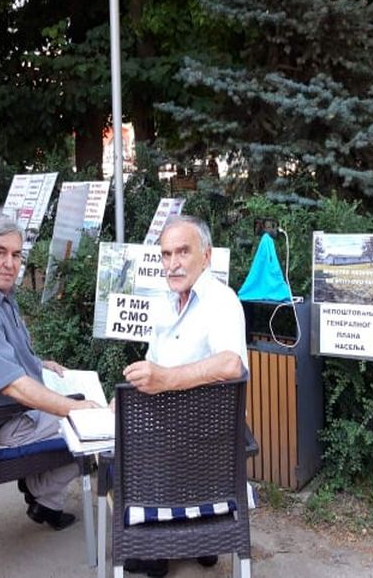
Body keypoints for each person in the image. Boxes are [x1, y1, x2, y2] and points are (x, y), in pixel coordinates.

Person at [0, 216, 100, 530]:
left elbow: (1, 356)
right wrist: (76, 408)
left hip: (7, 409)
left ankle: (45, 498)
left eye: (16, 255)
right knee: (102, 426)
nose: (10, 263)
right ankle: (43, 490)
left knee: (88, 392)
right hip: (10, 420)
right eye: (0, 252)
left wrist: (40, 365)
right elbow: (13, 386)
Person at [121, 214, 248, 577]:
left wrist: (165, 379)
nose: (172, 263)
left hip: (206, 437)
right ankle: (198, 540)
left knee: (124, 454)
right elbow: (154, 362)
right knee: (115, 427)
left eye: (182, 252)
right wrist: (138, 385)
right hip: (170, 426)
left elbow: (231, 365)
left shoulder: (222, 301)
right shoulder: (167, 301)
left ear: (205, 256)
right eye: (165, 254)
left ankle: (157, 546)